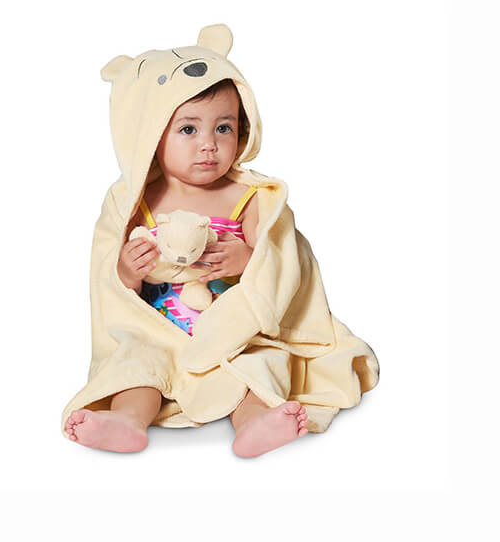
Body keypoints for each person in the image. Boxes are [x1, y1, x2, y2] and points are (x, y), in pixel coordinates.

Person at [61, 24, 379, 458]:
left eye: (223, 128)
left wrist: (249, 259)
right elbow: (112, 290)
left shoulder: (250, 198)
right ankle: (127, 420)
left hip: (234, 335)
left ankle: (255, 422)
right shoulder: (135, 203)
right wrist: (127, 270)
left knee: (256, 365)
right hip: (159, 332)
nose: (209, 145)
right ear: (149, 135)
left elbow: (282, 264)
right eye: (188, 130)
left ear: (242, 129)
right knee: (136, 365)